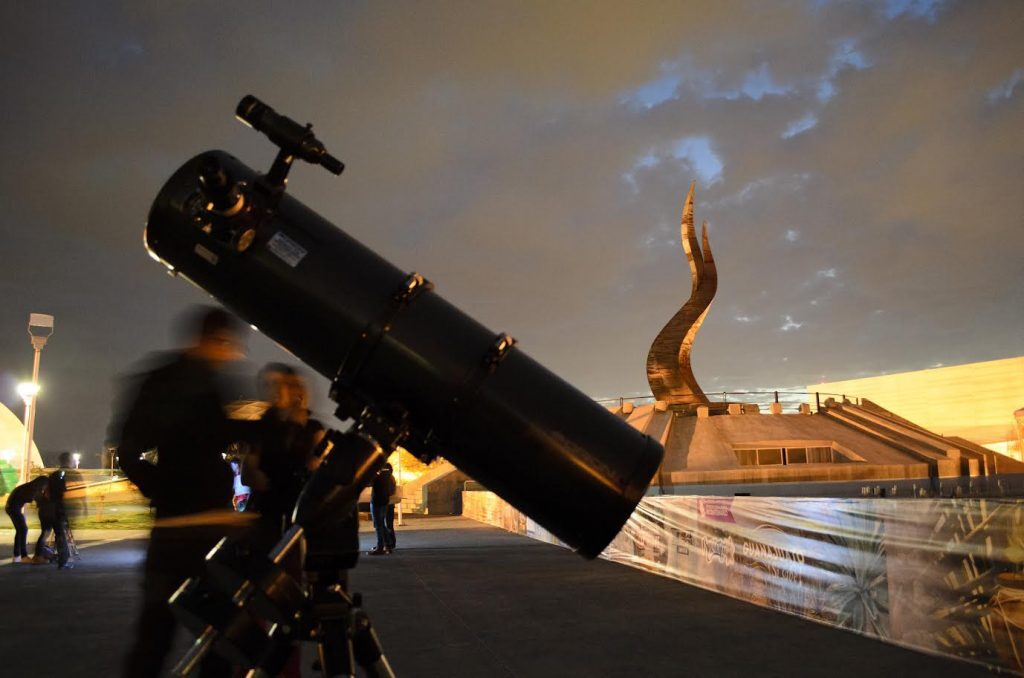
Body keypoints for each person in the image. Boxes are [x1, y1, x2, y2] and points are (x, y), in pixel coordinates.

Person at [110, 306, 248, 678]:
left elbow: (128, 449)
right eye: (229, 345)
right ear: (213, 340)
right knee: (203, 637)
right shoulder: (182, 384)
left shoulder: (184, 380)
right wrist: (166, 491)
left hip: (184, 527)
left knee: (159, 636)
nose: (233, 354)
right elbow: (128, 450)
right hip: (185, 529)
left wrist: (160, 491)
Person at [4, 476, 48, 563]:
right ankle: (23, 556)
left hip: (12, 507)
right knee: (23, 529)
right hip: (13, 508)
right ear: (41, 484)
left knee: (20, 530)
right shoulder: (33, 489)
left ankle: (17, 556)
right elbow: (37, 500)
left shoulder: (30, 487)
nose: (45, 487)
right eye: (45, 485)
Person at [368, 463, 397, 555]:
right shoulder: (390, 478)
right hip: (385, 502)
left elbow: (368, 482)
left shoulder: (377, 477)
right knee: (381, 525)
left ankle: (381, 546)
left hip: (376, 503)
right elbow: (391, 491)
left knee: (378, 525)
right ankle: (388, 545)